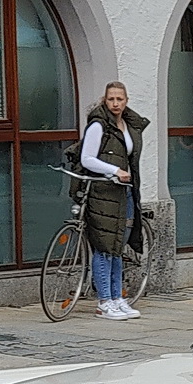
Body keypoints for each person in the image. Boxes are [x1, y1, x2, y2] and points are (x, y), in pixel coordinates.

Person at [78, 81, 149, 320]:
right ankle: (104, 302)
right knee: (104, 247)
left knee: (118, 247)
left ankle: (118, 298)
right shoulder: (99, 125)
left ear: (126, 101)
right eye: (111, 99)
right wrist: (114, 170)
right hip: (103, 192)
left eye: (120, 99)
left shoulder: (128, 125)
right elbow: (87, 158)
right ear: (104, 100)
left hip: (123, 191)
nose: (115, 103)